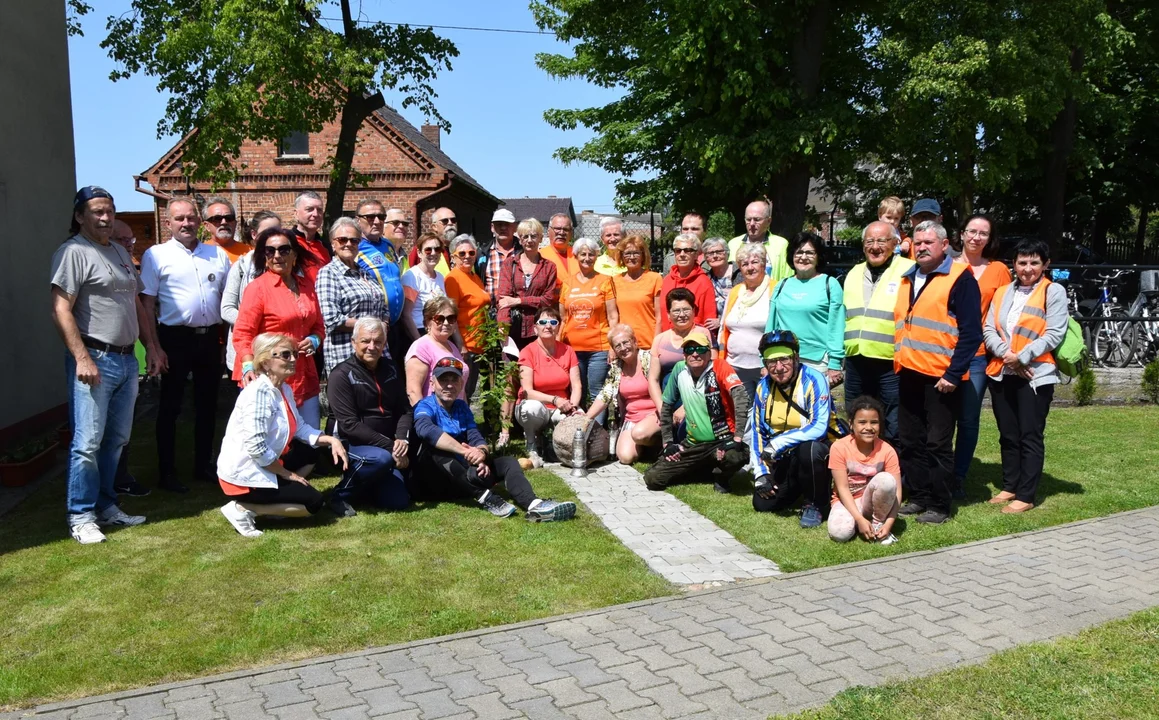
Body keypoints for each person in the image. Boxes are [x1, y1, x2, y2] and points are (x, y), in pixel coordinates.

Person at [51, 186, 163, 544]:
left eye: (109, 211)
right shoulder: (73, 253)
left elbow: (137, 306)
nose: (104, 217)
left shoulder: (117, 251)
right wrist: (81, 356)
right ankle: (80, 515)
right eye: (97, 211)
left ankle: (107, 505)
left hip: (128, 360)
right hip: (94, 360)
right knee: (87, 442)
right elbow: (60, 308)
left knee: (116, 439)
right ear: (80, 216)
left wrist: (153, 348)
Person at [411, 357, 577, 521]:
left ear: (461, 384)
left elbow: (474, 435)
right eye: (443, 380)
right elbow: (425, 430)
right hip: (435, 481)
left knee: (508, 462)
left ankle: (534, 504)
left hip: (465, 476)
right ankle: (488, 499)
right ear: (432, 384)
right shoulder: (425, 405)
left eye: (454, 380)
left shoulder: (461, 406)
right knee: (434, 449)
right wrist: (466, 452)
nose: (449, 385)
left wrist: (481, 453)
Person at [217, 333, 348, 537]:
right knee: (314, 503)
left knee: (311, 452)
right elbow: (256, 448)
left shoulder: (283, 388)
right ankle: (243, 508)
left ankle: (277, 501)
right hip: (245, 474)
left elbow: (300, 427)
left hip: (267, 462)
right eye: (286, 355)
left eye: (295, 353)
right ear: (266, 362)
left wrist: (330, 439)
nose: (294, 359)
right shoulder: (258, 394)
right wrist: (287, 474)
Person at [894, 221, 982, 525]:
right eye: (917, 242)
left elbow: (971, 333)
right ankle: (918, 496)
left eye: (928, 242)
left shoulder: (960, 278)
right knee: (910, 440)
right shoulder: (908, 277)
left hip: (942, 378)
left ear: (944, 245)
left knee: (938, 443)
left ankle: (940, 504)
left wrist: (953, 374)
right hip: (909, 372)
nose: (921, 247)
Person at [140, 197, 231, 491]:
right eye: (179, 219)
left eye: (191, 218)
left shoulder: (216, 256)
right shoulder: (156, 255)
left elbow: (228, 302)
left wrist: (224, 344)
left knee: (207, 407)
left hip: (210, 338)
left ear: (200, 222)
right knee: (170, 407)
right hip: (174, 339)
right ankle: (167, 472)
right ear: (168, 224)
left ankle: (203, 465)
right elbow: (147, 302)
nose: (186, 224)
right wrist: (154, 347)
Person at [983, 238, 1067, 514]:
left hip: (1034, 375)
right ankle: (1010, 485)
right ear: (1014, 264)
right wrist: (1008, 355)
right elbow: (989, 328)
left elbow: (1054, 333)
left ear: (1045, 264)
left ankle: (1027, 494)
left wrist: (1022, 357)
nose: (1027, 268)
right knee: (1008, 434)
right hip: (1002, 372)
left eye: (1034, 262)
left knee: (1030, 434)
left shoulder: (1053, 292)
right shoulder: (1003, 292)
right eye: (1022, 262)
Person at [232, 227, 326, 428]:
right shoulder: (257, 288)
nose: (277, 256)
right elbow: (242, 334)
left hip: (303, 372)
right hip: (268, 374)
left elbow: (319, 325)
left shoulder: (307, 286)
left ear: (294, 254)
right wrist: (248, 366)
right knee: (273, 441)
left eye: (284, 250)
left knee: (308, 438)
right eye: (270, 251)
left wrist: (315, 340)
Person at [749, 331, 842, 527]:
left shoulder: (815, 379)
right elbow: (758, 433)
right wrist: (761, 474)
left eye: (784, 358)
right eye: (771, 361)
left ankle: (815, 504)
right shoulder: (762, 387)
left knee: (809, 448)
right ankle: (801, 486)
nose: (779, 367)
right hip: (785, 456)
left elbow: (818, 427)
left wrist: (777, 443)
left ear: (796, 357)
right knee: (762, 503)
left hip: (824, 451)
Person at [326, 318, 413, 517]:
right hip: (351, 444)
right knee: (380, 458)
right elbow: (349, 425)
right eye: (365, 341)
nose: (371, 347)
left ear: (384, 344)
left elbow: (405, 410)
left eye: (378, 341)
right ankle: (338, 495)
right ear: (353, 342)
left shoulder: (392, 368)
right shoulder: (340, 374)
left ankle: (364, 485)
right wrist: (391, 448)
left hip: (387, 445)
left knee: (399, 501)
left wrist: (402, 439)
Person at [643, 330, 748, 492]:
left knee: (735, 456)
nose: (695, 354)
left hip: (721, 441)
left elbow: (740, 397)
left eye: (700, 349)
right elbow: (666, 406)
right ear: (684, 355)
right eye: (689, 350)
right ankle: (703, 471)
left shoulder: (720, 366)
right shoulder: (679, 370)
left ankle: (722, 477)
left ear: (708, 353)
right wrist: (668, 442)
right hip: (693, 444)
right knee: (653, 479)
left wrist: (737, 438)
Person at [951, 214, 1010, 496]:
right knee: (939, 416)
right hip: (943, 351)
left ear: (990, 238)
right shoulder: (945, 264)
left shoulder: (999, 271)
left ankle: (958, 476)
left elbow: (1006, 314)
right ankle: (934, 470)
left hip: (977, 355)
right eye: (971, 231)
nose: (976, 237)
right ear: (961, 234)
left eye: (983, 233)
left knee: (968, 418)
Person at [842, 221, 914, 441]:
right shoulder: (853, 272)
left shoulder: (908, 270)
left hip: (890, 360)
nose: (875, 246)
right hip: (856, 359)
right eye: (869, 241)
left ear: (894, 243)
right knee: (856, 415)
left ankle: (892, 467)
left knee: (893, 419)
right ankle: (858, 466)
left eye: (881, 241)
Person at [765, 232, 845, 387]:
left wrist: (835, 362)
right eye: (799, 252)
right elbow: (771, 326)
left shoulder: (830, 284)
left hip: (818, 361)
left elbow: (837, 326)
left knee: (814, 408)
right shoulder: (781, 285)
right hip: (784, 360)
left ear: (818, 256)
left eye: (809, 252)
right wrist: (766, 358)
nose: (803, 257)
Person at [316, 217, 389, 376]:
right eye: (342, 240)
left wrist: (383, 325)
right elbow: (331, 319)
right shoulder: (328, 273)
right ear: (333, 244)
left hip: (377, 353)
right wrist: (371, 328)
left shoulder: (365, 272)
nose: (348, 244)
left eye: (354, 240)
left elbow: (383, 308)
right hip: (346, 354)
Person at [827, 395, 901, 544]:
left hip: (872, 502)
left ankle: (878, 523)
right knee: (840, 534)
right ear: (851, 424)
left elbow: (897, 491)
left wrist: (889, 523)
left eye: (874, 422)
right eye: (862, 422)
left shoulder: (887, 450)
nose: (869, 427)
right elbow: (842, 488)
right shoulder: (839, 447)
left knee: (887, 481)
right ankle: (859, 521)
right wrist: (859, 518)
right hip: (846, 500)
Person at [514, 307, 583, 467]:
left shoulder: (568, 351)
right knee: (531, 409)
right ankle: (532, 443)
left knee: (579, 419)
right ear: (535, 328)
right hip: (536, 405)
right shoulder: (528, 351)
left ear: (558, 326)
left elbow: (577, 385)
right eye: (542, 322)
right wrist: (554, 399)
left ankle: (557, 445)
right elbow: (526, 391)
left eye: (553, 322)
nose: (548, 326)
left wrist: (572, 407)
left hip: (562, 406)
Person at [587, 325, 661, 465]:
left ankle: (658, 442)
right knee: (625, 457)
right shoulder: (616, 367)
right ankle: (647, 447)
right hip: (632, 418)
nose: (623, 348)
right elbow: (605, 394)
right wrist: (586, 419)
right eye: (617, 346)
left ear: (635, 341)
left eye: (626, 342)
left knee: (639, 434)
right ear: (614, 350)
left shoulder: (649, 359)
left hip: (654, 414)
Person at [560, 236, 619, 408]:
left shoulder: (605, 281)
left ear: (596, 257)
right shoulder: (567, 284)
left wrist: (612, 346)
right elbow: (563, 318)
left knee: (597, 393)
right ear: (576, 256)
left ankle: (597, 433)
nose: (587, 258)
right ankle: (578, 430)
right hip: (572, 349)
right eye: (583, 254)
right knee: (577, 391)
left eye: (591, 254)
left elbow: (613, 316)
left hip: (598, 349)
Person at [222, 210, 281, 377]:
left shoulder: (288, 267)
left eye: (277, 232)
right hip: (249, 349)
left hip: (279, 348)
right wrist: (256, 325)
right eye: (267, 233)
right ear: (254, 234)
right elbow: (226, 309)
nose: (272, 237)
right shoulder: (241, 267)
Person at [718, 243, 771, 402]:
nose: (750, 267)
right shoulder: (736, 291)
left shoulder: (775, 289)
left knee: (766, 411)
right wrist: (722, 361)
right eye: (744, 264)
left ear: (763, 264)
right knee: (742, 413)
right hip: (735, 365)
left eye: (754, 262)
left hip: (765, 367)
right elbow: (723, 328)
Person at [497, 219, 559, 349]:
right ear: (520, 240)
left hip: (539, 327)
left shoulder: (549, 267)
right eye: (525, 236)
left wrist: (518, 300)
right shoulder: (509, 264)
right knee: (513, 367)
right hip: (514, 327)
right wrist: (503, 326)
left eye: (533, 236)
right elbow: (504, 300)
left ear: (541, 238)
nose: (529, 240)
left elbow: (547, 300)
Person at [444, 234, 491, 398]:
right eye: (461, 254)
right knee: (462, 391)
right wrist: (460, 344)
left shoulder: (474, 276)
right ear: (453, 257)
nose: (467, 257)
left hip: (480, 344)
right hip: (466, 346)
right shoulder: (453, 279)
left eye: (471, 253)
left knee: (469, 391)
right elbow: (451, 314)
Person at [404, 296, 468, 405]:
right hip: (434, 417)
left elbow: (461, 390)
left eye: (451, 318)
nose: (446, 323)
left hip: (457, 416)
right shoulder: (421, 347)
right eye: (440, 319)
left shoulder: (451, 346)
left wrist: (466, 415)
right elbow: (413, 392)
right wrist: (424, 419)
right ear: (428, 322)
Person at [355, 201, 406, 331]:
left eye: (381, 217)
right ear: (358, 220)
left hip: (397, 325)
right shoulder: (354, 247)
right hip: (373, 326)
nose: (377, 221)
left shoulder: (388, 244)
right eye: (370, 217)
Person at [650, 288, 711, 393]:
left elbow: (711, 371)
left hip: (697, 397)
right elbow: (653, 380)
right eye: (676, 311)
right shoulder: (659, 339)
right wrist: (661, 407)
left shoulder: (703, 334)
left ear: (694, 311)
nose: (682, 315)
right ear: (668, 315)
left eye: (686, 309)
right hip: (668, 399)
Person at [611, 235, 663, 350]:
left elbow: (659, 317)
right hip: (623, 345)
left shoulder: (655, 278)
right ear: (621, 256)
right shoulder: (614, 281)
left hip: (648, 343)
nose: (632, 257)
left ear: (643, 256)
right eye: (627, 253)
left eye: (636, 253)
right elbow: (613, 317)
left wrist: (657, 343)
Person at [659, 234, 717, 330]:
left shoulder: (703, 282)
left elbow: (709, 320)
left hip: (693, 340)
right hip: (668, 339)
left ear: (696, 255)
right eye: (678, 251)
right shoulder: (667, 281)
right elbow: (662, 316)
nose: (682, 254)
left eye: (687, 250)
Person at [727, 199, 792, 283]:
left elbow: (788, 278)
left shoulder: (782, 244)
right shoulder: (733, 244)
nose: (752, 224)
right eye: (748, 219)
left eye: (757, 219)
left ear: (768, 221)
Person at [401, 233, 448, 344]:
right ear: (419, 253)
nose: (433, 253)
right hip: (420, 332)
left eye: (437, 249)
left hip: (439, 332)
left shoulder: (440, 277)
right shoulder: (412, 276)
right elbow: (406, 315)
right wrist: (419, 343)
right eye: (428, 250)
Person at [702, 237, 738, 342]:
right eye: (710, 253)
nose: (715, 256)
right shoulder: (706, 278)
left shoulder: (741, 274)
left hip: (736, 329)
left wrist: (721, 321)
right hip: (715, 333)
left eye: (719, 252)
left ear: (727, 253)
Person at [290, 191, 331, 279]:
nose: (316, 214)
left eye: (319, 210)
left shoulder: (326, 247)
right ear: (296, 214)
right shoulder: (288, 243)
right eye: (309, 209)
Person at [483, 208, 519, 303]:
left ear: (515, 227)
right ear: (492, 227)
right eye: (499, 224)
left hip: (518, 311)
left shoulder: (523, 252)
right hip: (490, 312)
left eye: (507, 224)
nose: (503, 228)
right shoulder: (482, 254)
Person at [406, 207, 453, 273]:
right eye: (445, 221)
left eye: (453, 220)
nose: (450, 223)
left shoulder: (463, 248)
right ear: (434, 226)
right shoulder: (423, 248)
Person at [203, 196, 248, 264]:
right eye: (217, 219)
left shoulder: (250, 254)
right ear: (207, 226)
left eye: (228, 218)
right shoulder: (199, 254)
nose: (224, 222)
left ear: (235, 223)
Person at [540, 213, 579, 284]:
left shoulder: (579, 254)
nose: (561, 232)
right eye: (557, 229)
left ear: (571, 233)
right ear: (548, 231)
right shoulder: (540, 256)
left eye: (566, 229)